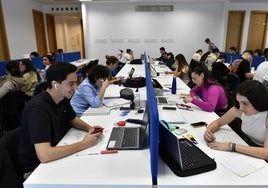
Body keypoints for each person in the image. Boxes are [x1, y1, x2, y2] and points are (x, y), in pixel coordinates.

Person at [18, 62, 104, 175]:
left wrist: (89, 128)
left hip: (55, 151)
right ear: (55, 84)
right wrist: (84, 144)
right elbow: (44, 155)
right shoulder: (38, 109)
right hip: (36, 168)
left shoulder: (62, 98)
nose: (76, 88)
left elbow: (73, 119)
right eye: (71, 84)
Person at [204, 80, 268, 160]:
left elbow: (266, 153)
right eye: (239, 102)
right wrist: (208, 131)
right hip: (247, 144)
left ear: (258, 101)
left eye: (245, 103)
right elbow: (218, 122)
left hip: (261, 153)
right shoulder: (238, 110)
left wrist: (231, 146)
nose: (241, 107)